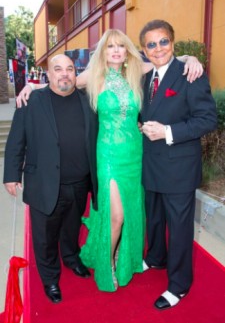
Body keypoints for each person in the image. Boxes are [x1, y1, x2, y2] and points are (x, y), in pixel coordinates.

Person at [15, 30, 203, 293]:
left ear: (127, 52)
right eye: (110, 46)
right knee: (116, 215)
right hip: (108, 156)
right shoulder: (94, 76)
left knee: (132, 211)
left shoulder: (138, 71)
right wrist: (32, 86)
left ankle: (123, 256)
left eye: (121, 46)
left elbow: (167, 59)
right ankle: (108, 264)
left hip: (136, 154)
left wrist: (191, 58)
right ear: (103, 51)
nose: (115, 50)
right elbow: (62, 83)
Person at [3, 54, 98, 303]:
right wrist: (11, 175)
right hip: (44, 183)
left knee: (71, 228)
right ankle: (50, 278)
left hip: (79, 183)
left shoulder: (88, 101)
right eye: (58, 69)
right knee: (45, 236)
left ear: (75, 74)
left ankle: (71, 258)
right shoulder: (32, 101)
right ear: (49, 74)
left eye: (69, 69)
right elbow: (16, 141)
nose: (64, 73)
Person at [139, 20, 217, 310]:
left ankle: (179, 285)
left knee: (180, 228)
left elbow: (207, 120)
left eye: (163, 42)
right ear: (144, 50)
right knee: (155, 218)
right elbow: (149, 111)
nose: (158, 48)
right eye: (151, 44)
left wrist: (168, 132)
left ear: (172, 42)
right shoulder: (146, 78)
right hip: (152, 164)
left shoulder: (190, 74)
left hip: (179, 168)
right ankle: (155, 257)